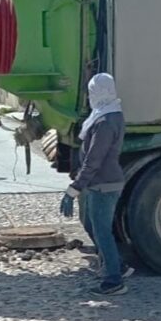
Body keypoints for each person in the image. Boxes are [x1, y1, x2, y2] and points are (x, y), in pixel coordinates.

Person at [60, 73, 129, 296]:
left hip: (104, 185)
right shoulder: (106, 114)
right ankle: (117, 266)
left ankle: (114, 281)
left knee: (101, 232)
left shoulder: (105, 121)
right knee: (91, 225)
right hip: (100, 183)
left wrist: (74, 188)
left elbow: (93, 159)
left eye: (92, 92)